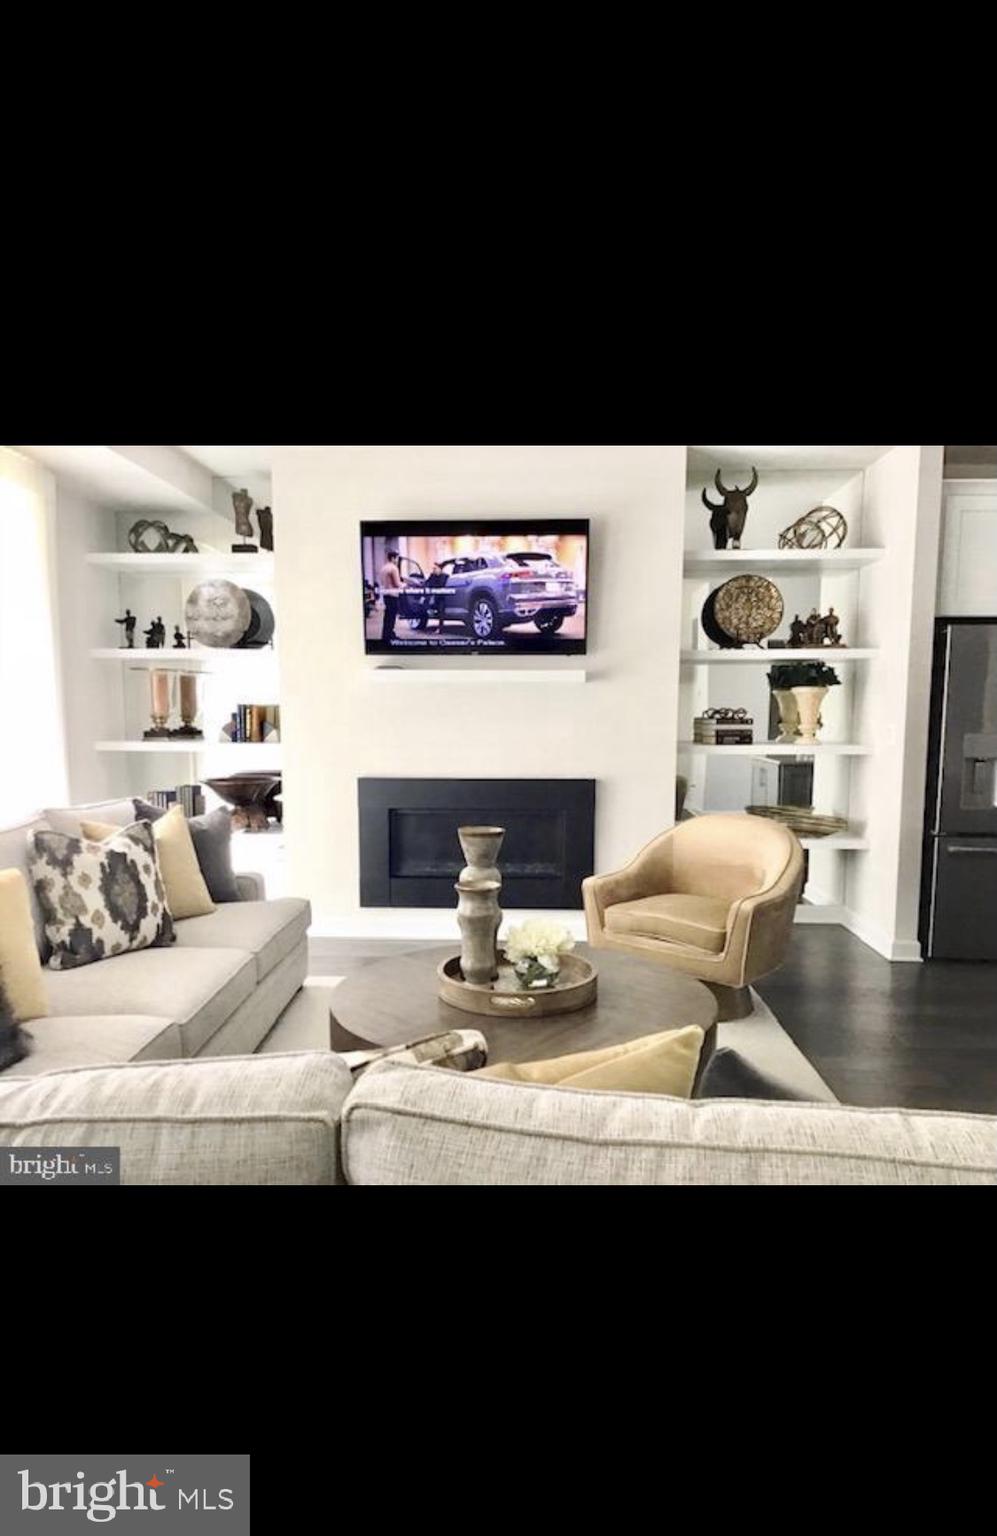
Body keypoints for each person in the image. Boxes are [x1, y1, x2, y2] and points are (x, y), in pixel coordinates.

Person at [379, 548, 404, 642]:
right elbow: (397, 584)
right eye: (396, 558)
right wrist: (406, 585)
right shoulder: (393, 568)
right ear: (393, 558)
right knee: (391, 617)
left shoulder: (384, 568)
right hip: (393, 595)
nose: (397, 560)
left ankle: (386, 635)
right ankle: (390, 635)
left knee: (387, 617)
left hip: (386, 594)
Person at [425, 560, 449, 633]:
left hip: (441, 597)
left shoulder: (445, 576)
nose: (433, 570)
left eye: (435, 568)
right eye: (433, 569)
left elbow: (441, 585)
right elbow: (427, 583)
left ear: (440, 569)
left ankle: (440, 628)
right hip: (433, 597)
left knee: (441, 608)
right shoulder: (432, 575)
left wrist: (433, 585)